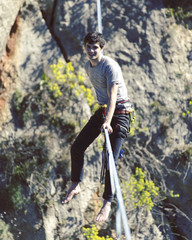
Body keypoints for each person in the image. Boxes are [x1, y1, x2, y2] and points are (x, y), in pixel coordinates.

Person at [62, 32, 133, 222]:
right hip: (104, 111)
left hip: (121, 113)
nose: (91, 50)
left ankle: (107, 203)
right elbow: (104, 100)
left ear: (102, 49)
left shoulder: (110, 67)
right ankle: (76, 183)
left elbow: (112, 97)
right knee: (77, 147)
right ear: (85, 48)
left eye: (95, 47)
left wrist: (108, 122)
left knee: (109, 158)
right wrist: (103, 118)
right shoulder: (88, 66)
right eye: (88, 47)